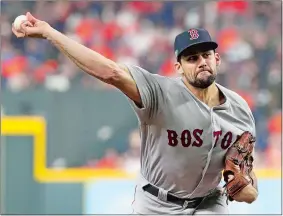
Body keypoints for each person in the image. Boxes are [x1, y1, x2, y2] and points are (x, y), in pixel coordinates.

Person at [12, 12, 258, 214]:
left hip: (209, 203)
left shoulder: (239, 109)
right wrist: (49, 32)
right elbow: (111, 72)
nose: (202, 61)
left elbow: (246, 165)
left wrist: (251, 188)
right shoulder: (160, 92)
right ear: (179, 68)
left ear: (217, 58)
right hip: (157, 204)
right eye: (192, 58)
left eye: (206, 55)